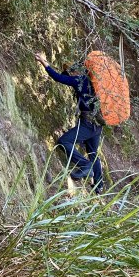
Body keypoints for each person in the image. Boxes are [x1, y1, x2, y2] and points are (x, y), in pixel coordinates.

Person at [35, 52, 103, 193]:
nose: (68, 75)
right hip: (97, 124)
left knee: (63, 141)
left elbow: (58, 78)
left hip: (88, 124)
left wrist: (44, 62)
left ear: (75, 71)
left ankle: (85, 165)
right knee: (93, 152)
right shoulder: (93, 83)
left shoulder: (79, 80)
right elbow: (64, 77)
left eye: (69, 72)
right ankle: (99, 185)